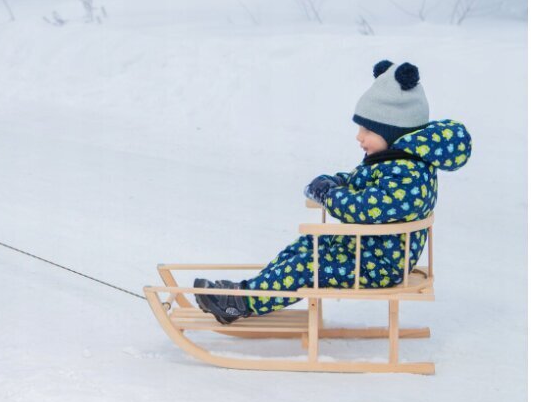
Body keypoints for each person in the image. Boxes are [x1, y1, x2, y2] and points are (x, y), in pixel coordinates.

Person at [194, 60, 472, 324]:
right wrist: (332, 182)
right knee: (304, 247)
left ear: (394, 132)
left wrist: (330, 196)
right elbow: (357, 182)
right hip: (364, 251)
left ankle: (242, 302)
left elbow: (367, 207)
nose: (359, 137)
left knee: (307, 265)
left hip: (380, 266)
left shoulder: (408, 174)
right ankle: (247, 292)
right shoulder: (394, 162)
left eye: (368, 130)